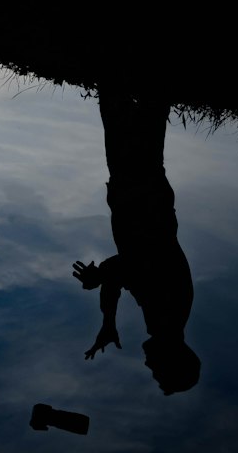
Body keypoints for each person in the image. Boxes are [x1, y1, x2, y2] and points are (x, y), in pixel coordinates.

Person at [72, 87, 200, 397]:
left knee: (140, 110)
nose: (148, 365)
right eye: (158, 370)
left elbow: (124, 274)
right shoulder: (167, 314)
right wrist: (101, 281)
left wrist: (108, 320)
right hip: (140, 194)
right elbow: (125, 268)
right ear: (173, 360)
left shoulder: (164, 320)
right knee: (126, 104)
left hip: (137, 193)